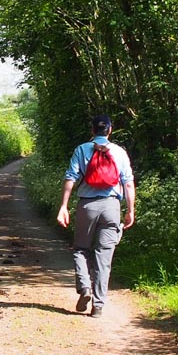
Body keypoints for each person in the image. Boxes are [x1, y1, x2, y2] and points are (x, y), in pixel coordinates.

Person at [56, 113, 135, 316]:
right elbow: (127, 183)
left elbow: (70, 177)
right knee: (104, 257)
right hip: (111, 207)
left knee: (81, 249)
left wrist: (63, 206)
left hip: (87, 207)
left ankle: (85, 288)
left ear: (92, 130)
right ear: (110, 130)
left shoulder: (82, 149)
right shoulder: (119, 152)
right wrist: (130, 210)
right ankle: (98, 305)